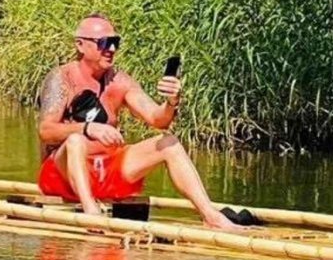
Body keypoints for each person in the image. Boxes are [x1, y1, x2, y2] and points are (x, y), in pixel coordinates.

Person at [36, 13, 243, 231]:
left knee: (168, 143)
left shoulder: (119, 81)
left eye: (115, 42)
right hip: (63, 177)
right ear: (81, 45)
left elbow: (157, 119)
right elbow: (46, 131)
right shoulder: (62, 79)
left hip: (106, 173)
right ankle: (91, 214)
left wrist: (171, 102)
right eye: (104, 43)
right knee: (76, 141)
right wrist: (88, 127)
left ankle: (211, 215)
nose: (112, 49)